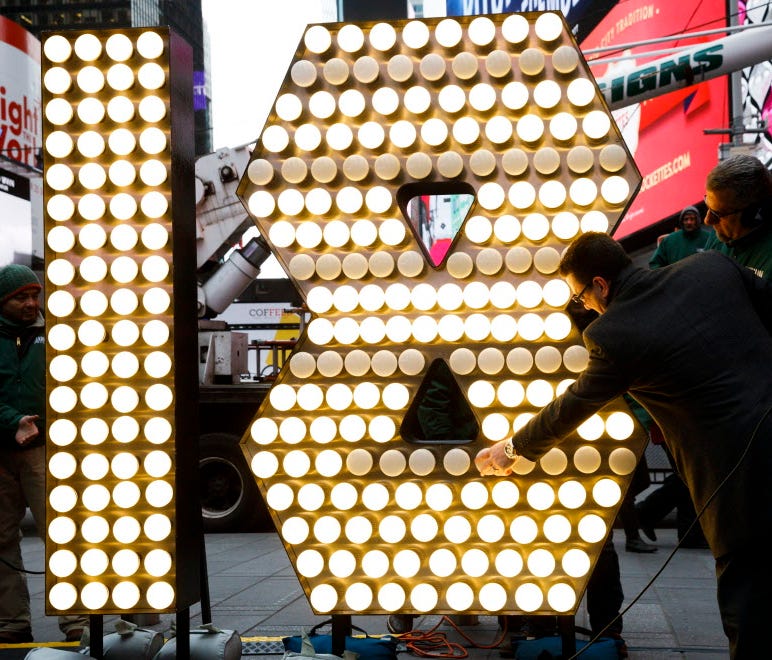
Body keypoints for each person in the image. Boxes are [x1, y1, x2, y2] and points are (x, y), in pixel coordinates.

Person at [475, 232, 772, 658]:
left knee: (749, 593)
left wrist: (511, 450)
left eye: (580, 297)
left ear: (600, 285)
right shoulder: (711, 268)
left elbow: (573, 405)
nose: (584, 306)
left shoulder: (613, 335)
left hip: (738, 473)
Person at [0, 264, 88, 643]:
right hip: (2, 448)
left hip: (44, 450)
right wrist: (12, 421)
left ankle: (77, 620)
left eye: (35, 295)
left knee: (62, 532)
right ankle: (13, 621)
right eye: (22, 297)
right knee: (2, 539)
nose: (31, 303)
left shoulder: (53, 336)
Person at [638, 204, 713, 549]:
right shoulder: (670, 248)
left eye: (691, 218)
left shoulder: (710, 240)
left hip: (684, 414)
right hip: (670, 417)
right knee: (686, 474)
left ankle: (687, 530)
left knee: (688, 474)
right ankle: (654, 516)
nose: (689, 222)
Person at [702, 154, 772, 278]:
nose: (707, 221)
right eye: (708, 206)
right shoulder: (718, 236)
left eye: (717, 214)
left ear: (751, 215)